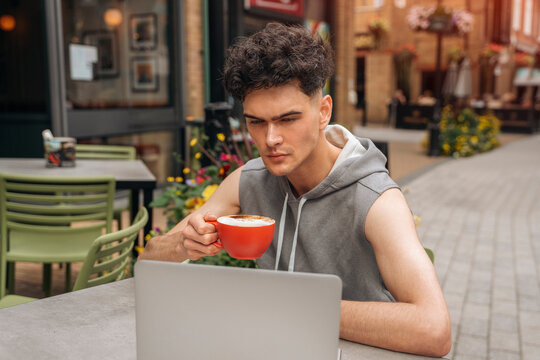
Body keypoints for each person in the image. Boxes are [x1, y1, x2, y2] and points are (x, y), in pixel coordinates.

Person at [140, 22, 451, 357]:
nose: (270, 139)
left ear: (324, 111)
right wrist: (183, 244)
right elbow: (148, 262)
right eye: (256, 122)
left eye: (287, 119)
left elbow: (434, 330)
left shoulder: (376, 199)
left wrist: (291, 308)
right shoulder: (251, 179)